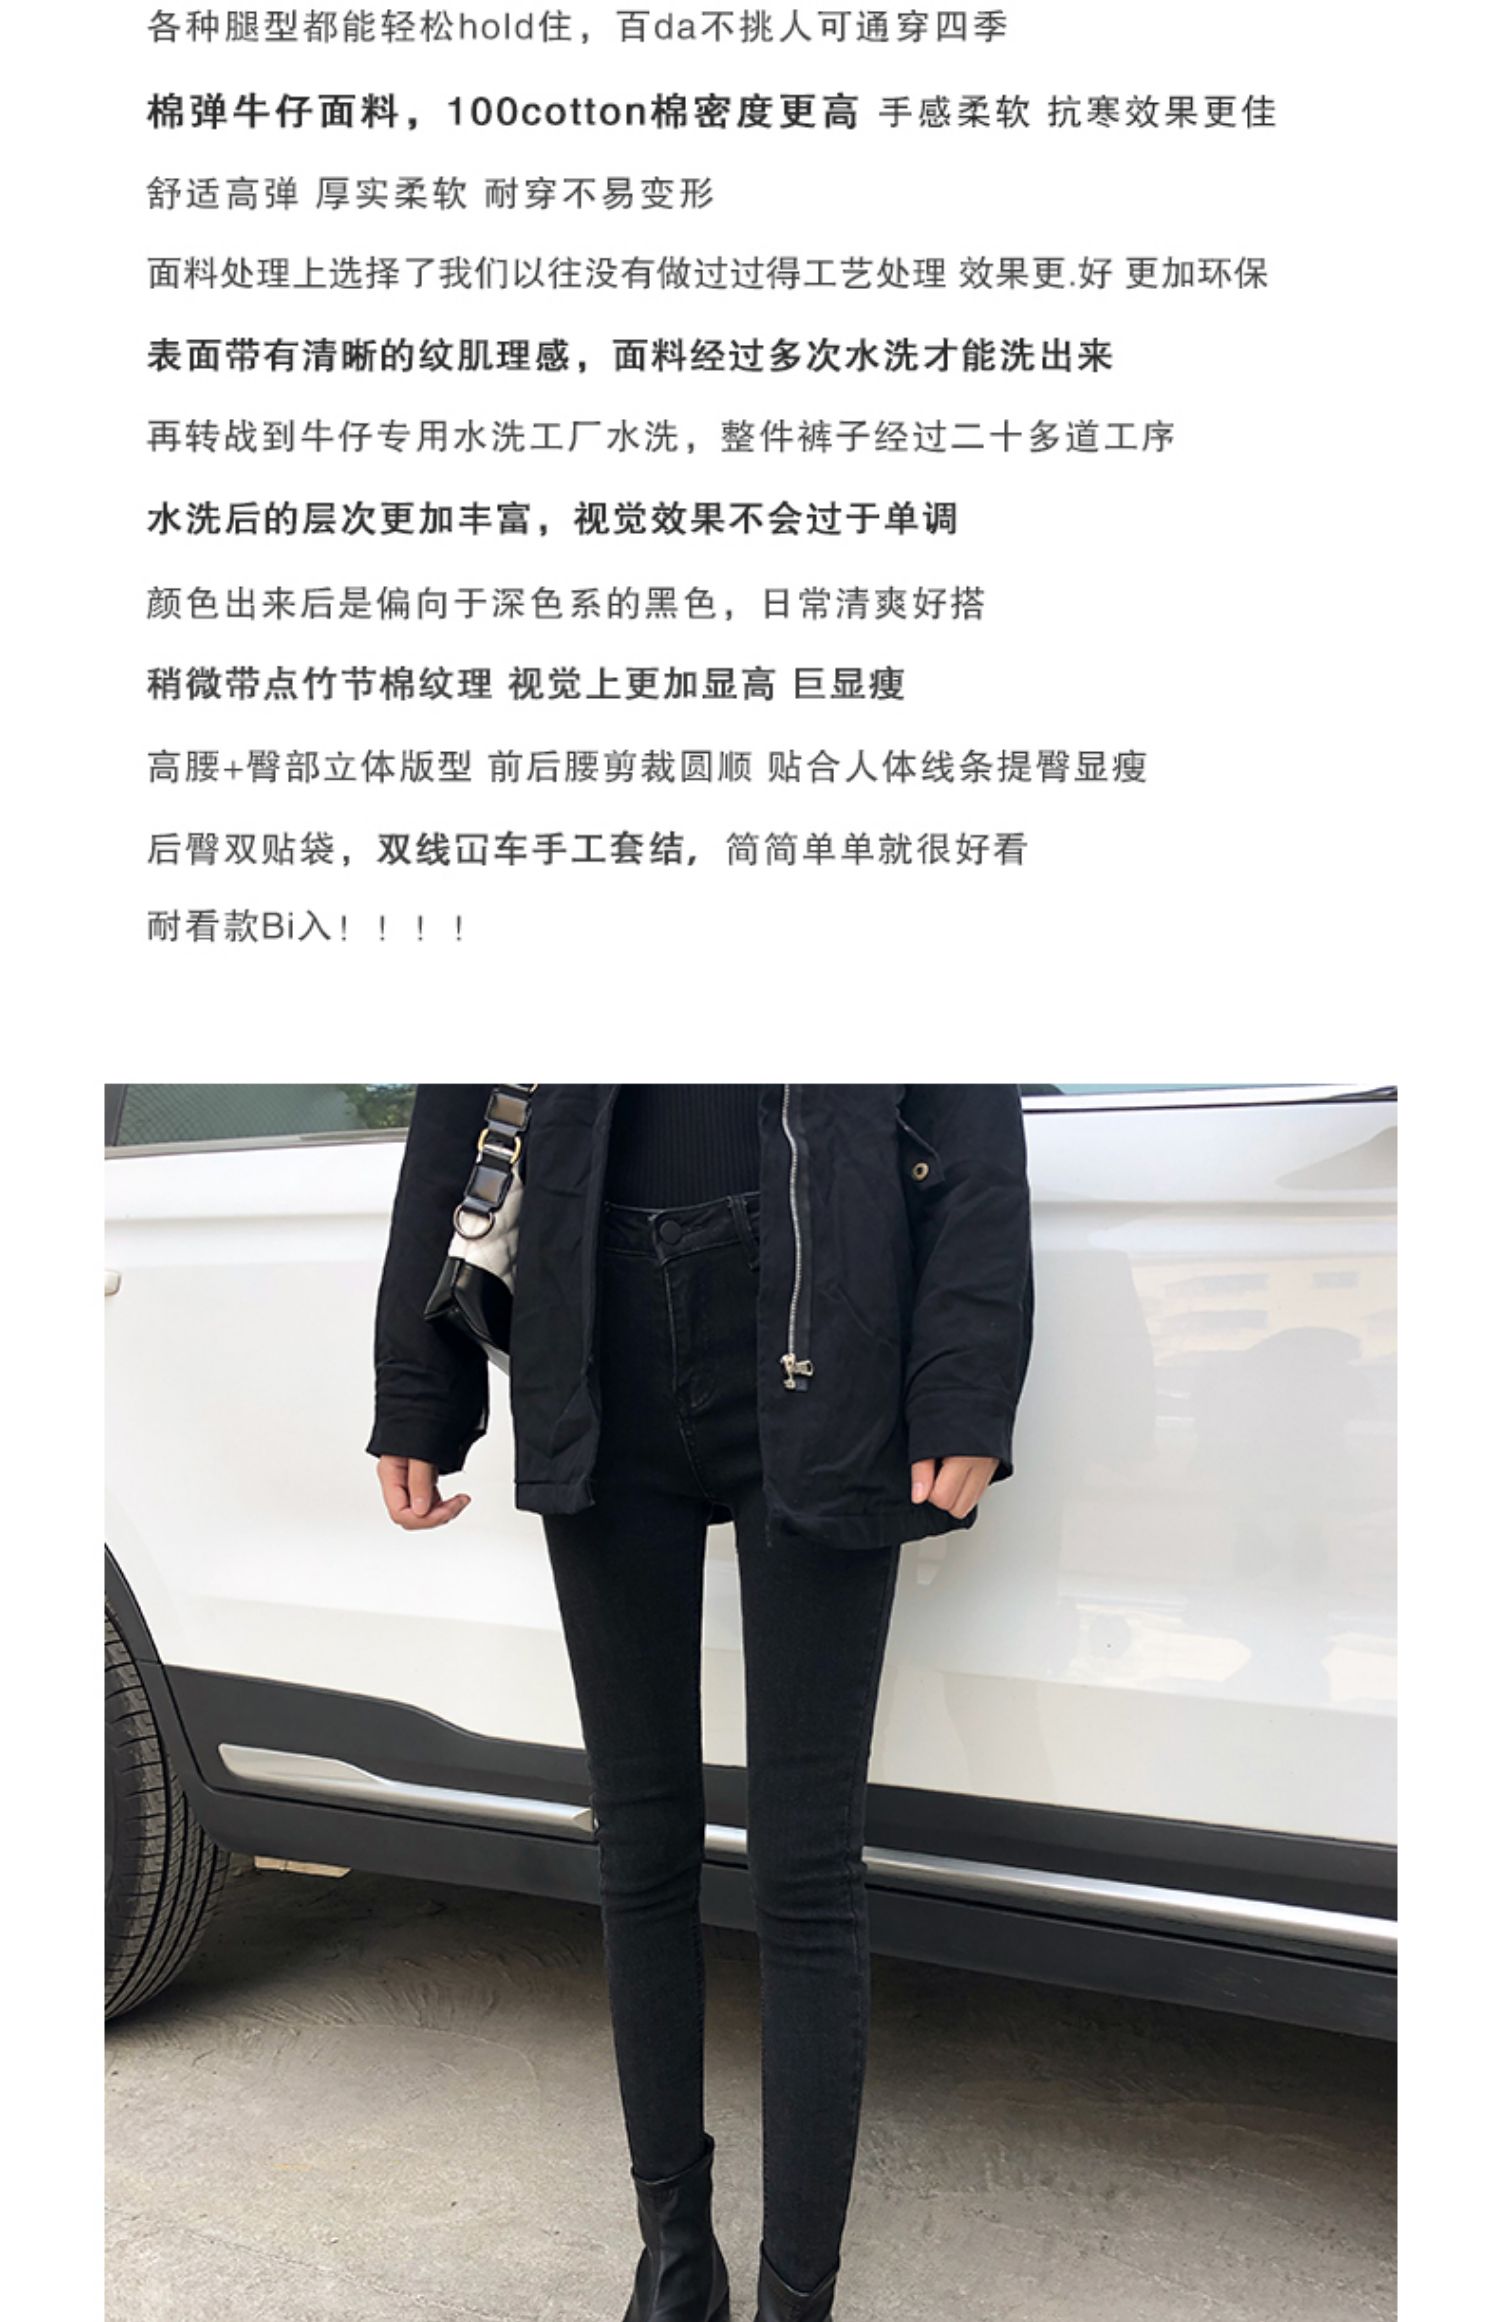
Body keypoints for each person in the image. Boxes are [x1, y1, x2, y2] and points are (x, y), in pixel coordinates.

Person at [369, 1085, 1034, 2322]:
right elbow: (459, 1107)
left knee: (806, 1863)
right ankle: (675, 2258)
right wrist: (420, 1387)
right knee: (639, 1840)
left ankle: (797, 2294)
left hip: (827, 1327)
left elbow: (970, 1123)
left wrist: (966, 1380)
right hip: (592, 1326)